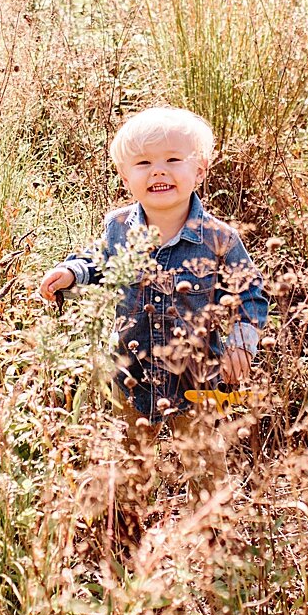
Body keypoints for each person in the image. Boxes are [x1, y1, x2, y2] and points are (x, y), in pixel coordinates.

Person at [40, 107, 269, 422]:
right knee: (134, 460)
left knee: (202, 462)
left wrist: (242, 344)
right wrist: (70, 272)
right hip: (132, 374)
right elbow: (100, 259)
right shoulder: (118, 226)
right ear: (125, 177)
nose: (158, 171)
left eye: (173, 160)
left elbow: (250, 293)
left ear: (200, 171)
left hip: (196, 380)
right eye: (144, 163)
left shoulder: (219, 238)